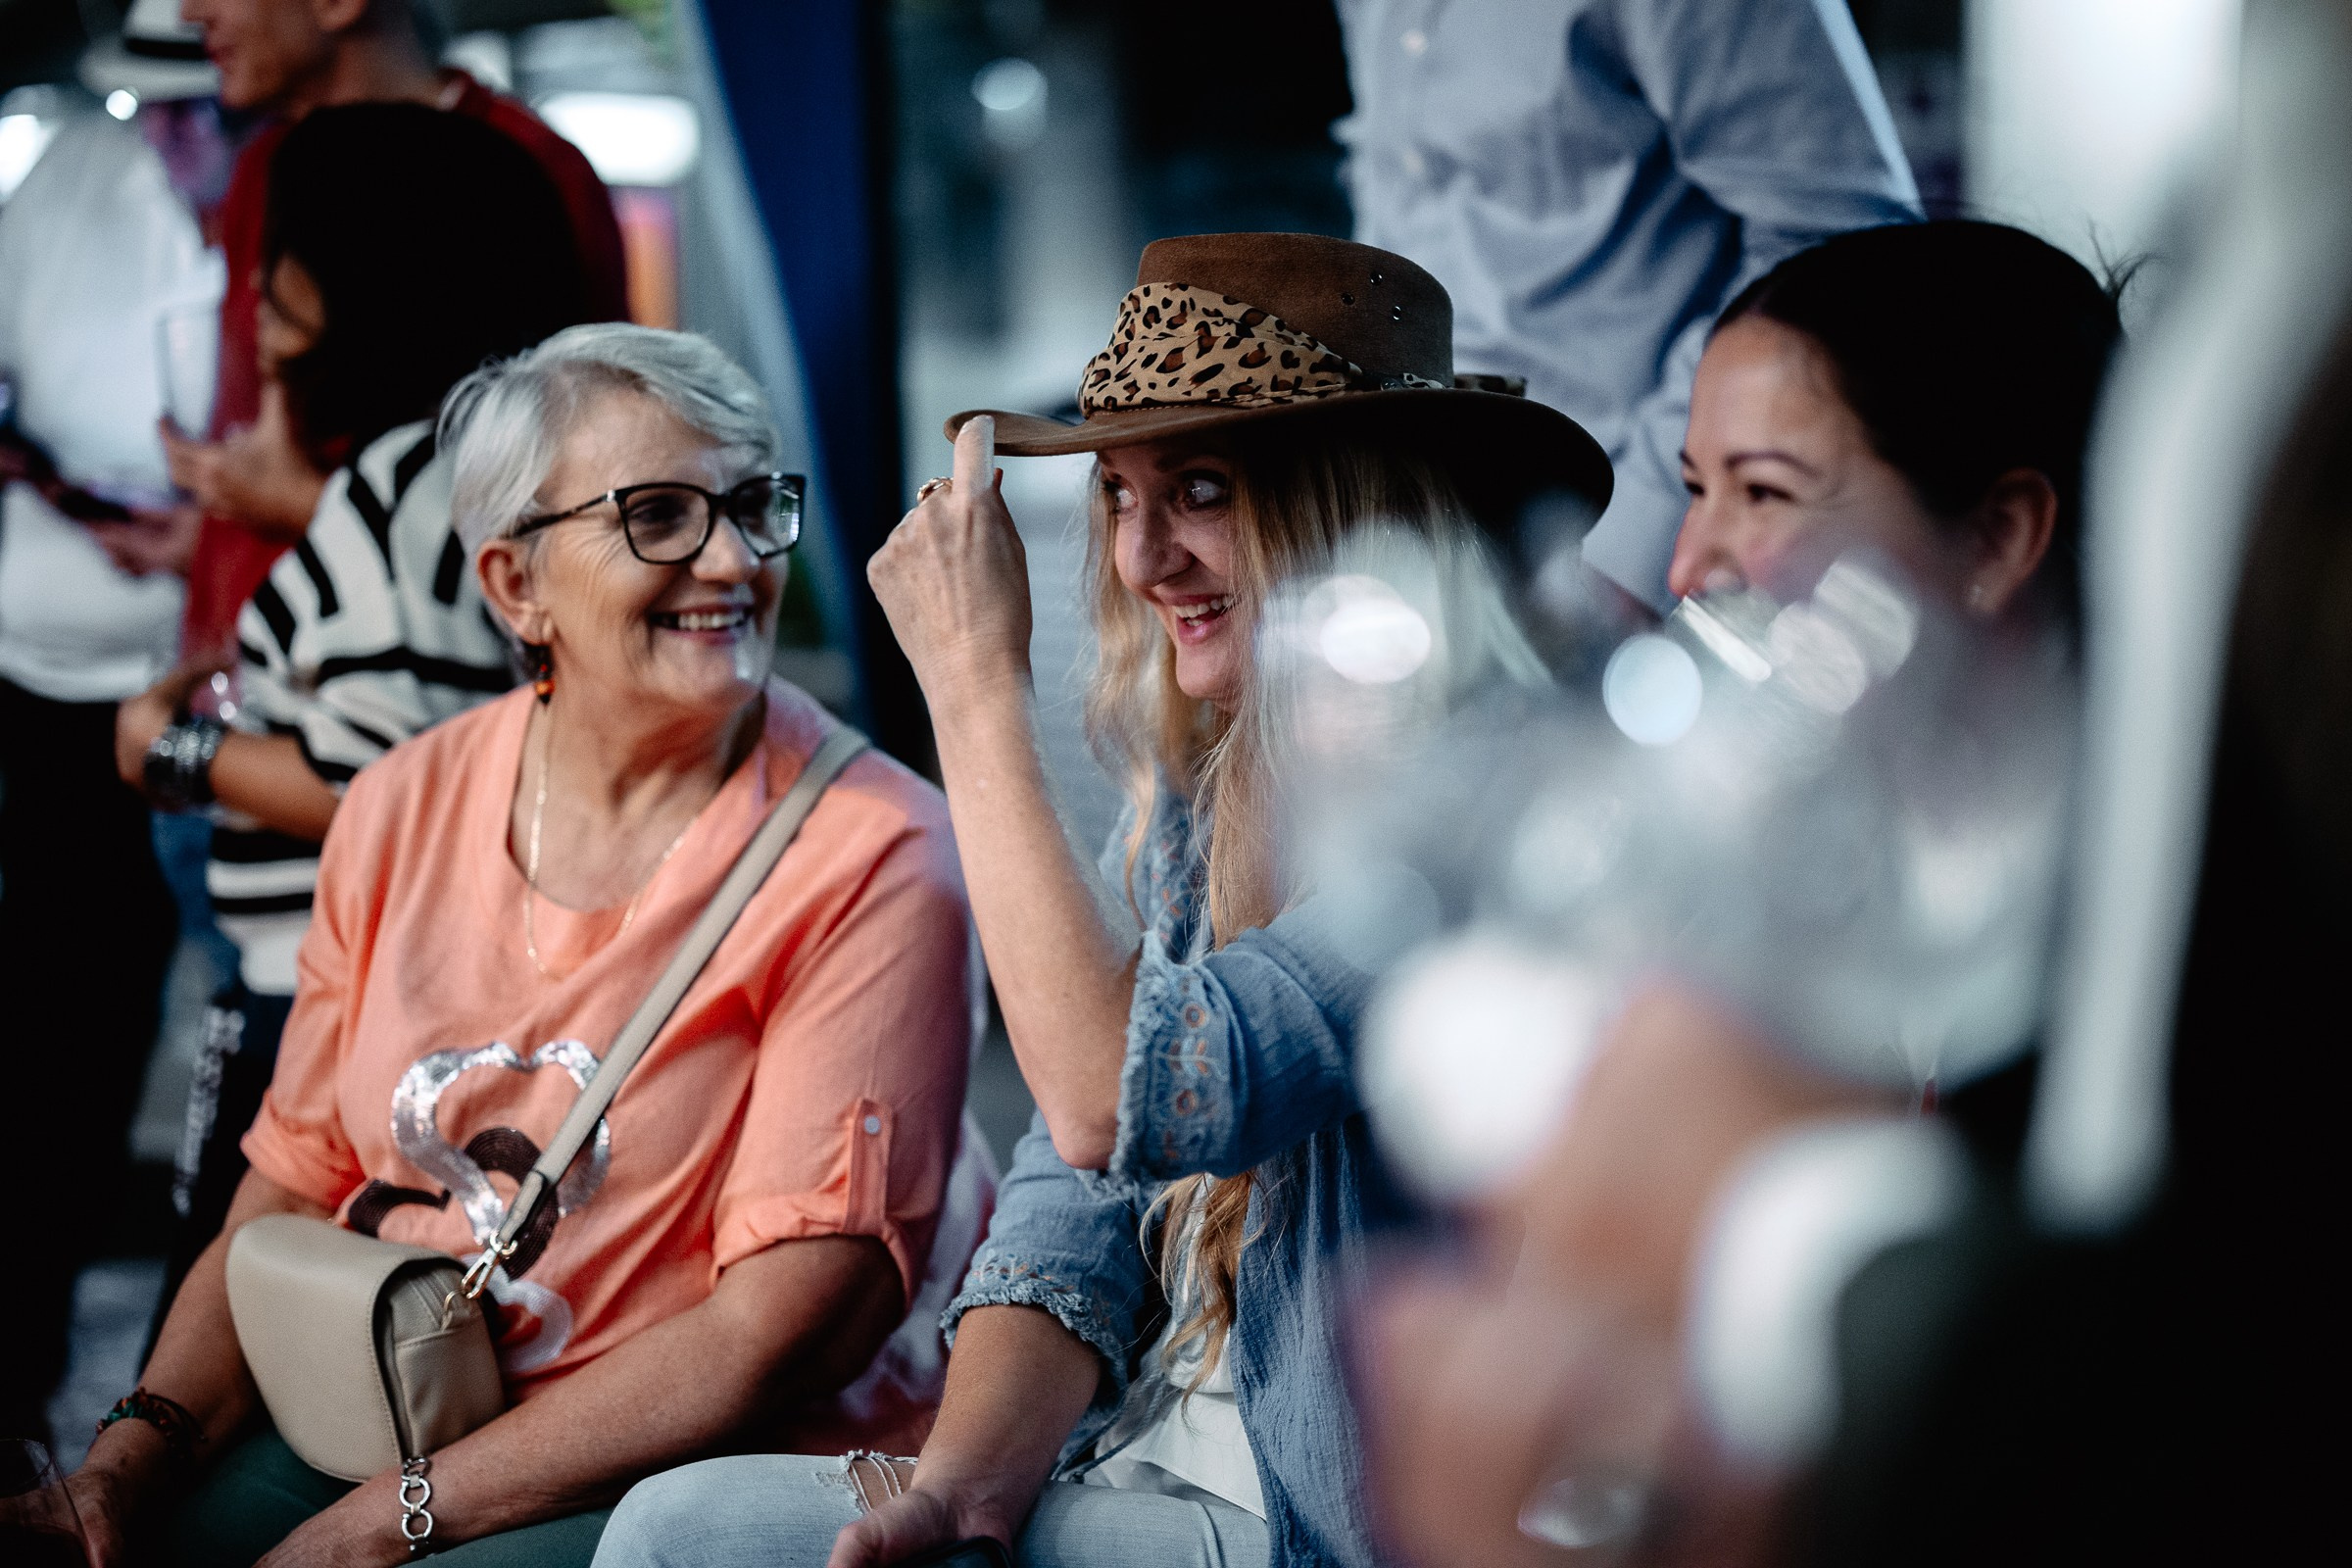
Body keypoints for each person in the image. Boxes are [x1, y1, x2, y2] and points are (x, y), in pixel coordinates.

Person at [592, 234, 1613, 1568]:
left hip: (1311, 1525)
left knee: (678, 1535)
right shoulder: (1230, 778)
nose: (1142, 561)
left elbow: (1116, 1095)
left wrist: (973, 686)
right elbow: (1077, 1188)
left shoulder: (1477, 797)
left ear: (1357, 507)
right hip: (1137, 1456)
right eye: (1119, 494)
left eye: (1201, 490)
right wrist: (964, 1487)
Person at [57, 323, 982, 1566]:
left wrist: (373, 1529)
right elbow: (289, 1189)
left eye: (753, 506)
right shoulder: (402, 803)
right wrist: (124, 1463)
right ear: (515, 584)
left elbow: (777, 1332)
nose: (732, 560)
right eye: (659, 515)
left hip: (695, 1466)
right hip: (402, 1396)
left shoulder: (873, 851)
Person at [1348, 220, 2124, 1567]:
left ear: (2001, 535)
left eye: (1764, 494)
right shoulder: (1731, 889)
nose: (1686, 563)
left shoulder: (2134, 953)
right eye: (1695, 487)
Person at [113, 101, 606, 1321]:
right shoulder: (449, 474)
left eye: (286, 253)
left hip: (310, 995)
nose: (256, 290)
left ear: (379, 278)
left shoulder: (399, 490)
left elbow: (377, 782)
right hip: (354, 984)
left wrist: (175, 751)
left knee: (227, 1306)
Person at [1333, 0, 1922, 611]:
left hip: (1599, 533)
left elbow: (1837, 243)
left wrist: (1631, 549)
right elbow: (1400, 181)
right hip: (1403, 510)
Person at [0, 11, 228, 1444]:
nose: (177, 131)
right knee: (59, 1012)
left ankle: (182, 1394)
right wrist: (70, 493)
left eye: (198, 104)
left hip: (214, 675)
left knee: (239, 1015)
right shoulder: (64, 177)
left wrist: (207, 529)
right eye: (153, 106)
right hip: (47, 671)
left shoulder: (281, 188)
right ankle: (24, 1365)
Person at [167, 0, 628, 661]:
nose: (189, 12)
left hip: (407, 682)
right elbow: (255, 441)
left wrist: (302, 505)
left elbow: (579, 509)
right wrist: (208, 534)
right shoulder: (264, 168)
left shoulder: (526, 172)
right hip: (246, 668)